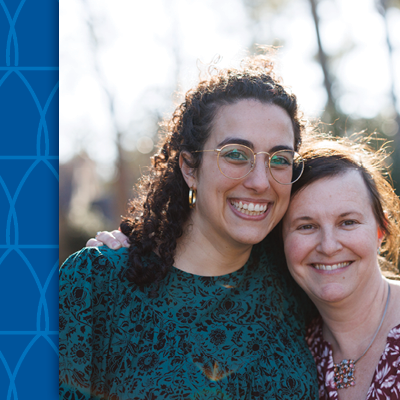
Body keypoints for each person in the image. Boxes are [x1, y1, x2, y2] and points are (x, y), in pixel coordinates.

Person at [93, 138, 400, 400]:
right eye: (305, 226)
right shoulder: (289, 353)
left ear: (380, 230)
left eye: (347, 222)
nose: (327, 245)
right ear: (282, 243)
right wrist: (135, 252)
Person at [59, 55, 320, 399]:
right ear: (189, 167)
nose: (261, 182)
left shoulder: (299, 283)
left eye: (279, 160)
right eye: (236, 154)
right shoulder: (97, 283)